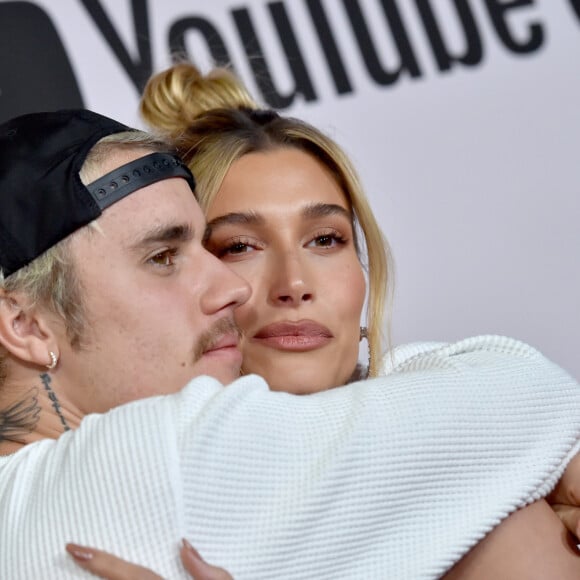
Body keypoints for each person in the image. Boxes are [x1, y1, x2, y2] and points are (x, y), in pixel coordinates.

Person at [1, 109, 580, 579]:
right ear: (24, 325)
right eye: (163, 258)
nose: (230, 288)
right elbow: (535, 393)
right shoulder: (163, 455)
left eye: (327, 238)